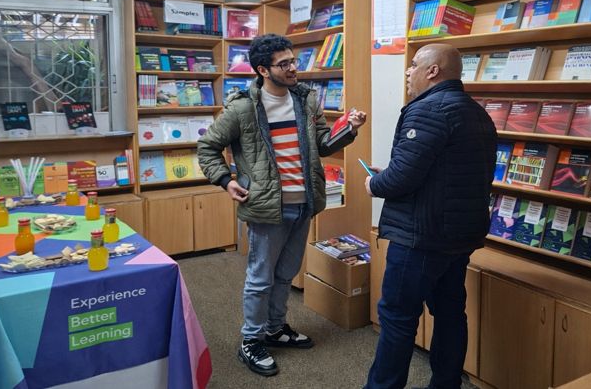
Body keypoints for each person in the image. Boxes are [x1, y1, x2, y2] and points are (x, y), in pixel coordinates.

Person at [197, 33, 367, 377]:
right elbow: (207, 148)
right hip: (265, 206)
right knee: (260, 278)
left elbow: (321, 143)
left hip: (304, 202)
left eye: (294, 61)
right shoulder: (243, 107)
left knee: (285, 275)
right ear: (263, 69)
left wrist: (348, 129)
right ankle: (251, 340)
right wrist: (226, 181)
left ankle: (275, 328)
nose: (293, 68)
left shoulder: (305, 99)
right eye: (284, 63)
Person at [363, 43, 497, 389]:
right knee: (451, 313)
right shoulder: (476, 112)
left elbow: (401, 178)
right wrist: (393, 174)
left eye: (413, 66)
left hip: (421, 237)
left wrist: (374, 182)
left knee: (397, 316)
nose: (408, 72)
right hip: (459, 234)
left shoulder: (428, 110)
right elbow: (446, 171)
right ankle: (446, 383)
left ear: (432, 71)